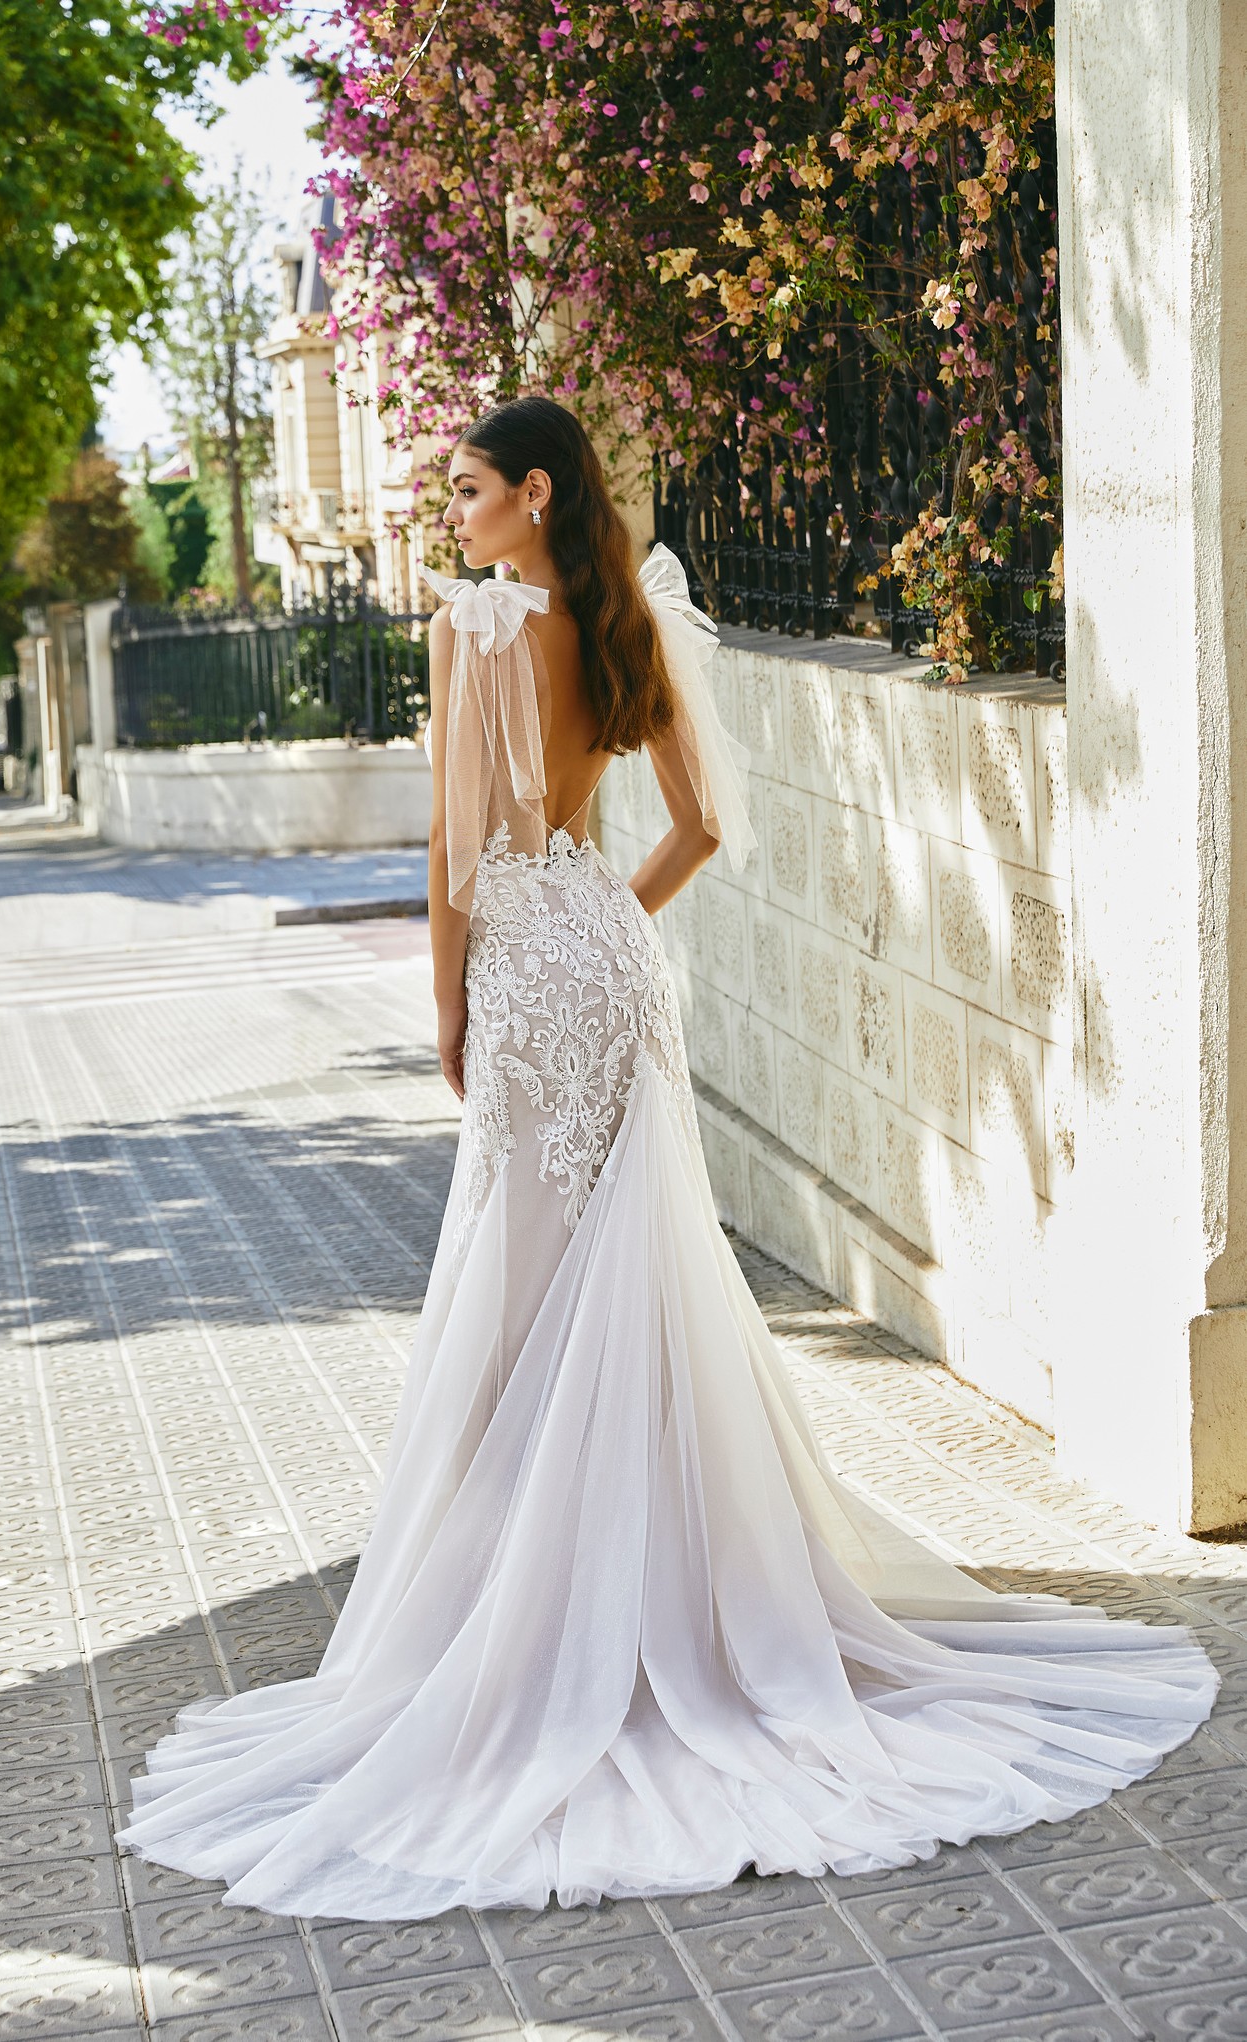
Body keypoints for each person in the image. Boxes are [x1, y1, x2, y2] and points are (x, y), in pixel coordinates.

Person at [117, 394, 1216, 1922]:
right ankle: (670, 1607)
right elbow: (696, 825)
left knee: (523, 1299)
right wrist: (598, 917)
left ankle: (545, 1625)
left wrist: (445, 1004)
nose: (453, 512)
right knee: (631, 1277)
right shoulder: (625, 614)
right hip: (609, 960)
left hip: (521, 969)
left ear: (534, 491)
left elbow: (453, 860)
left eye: (468, 486)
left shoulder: (476, 626)